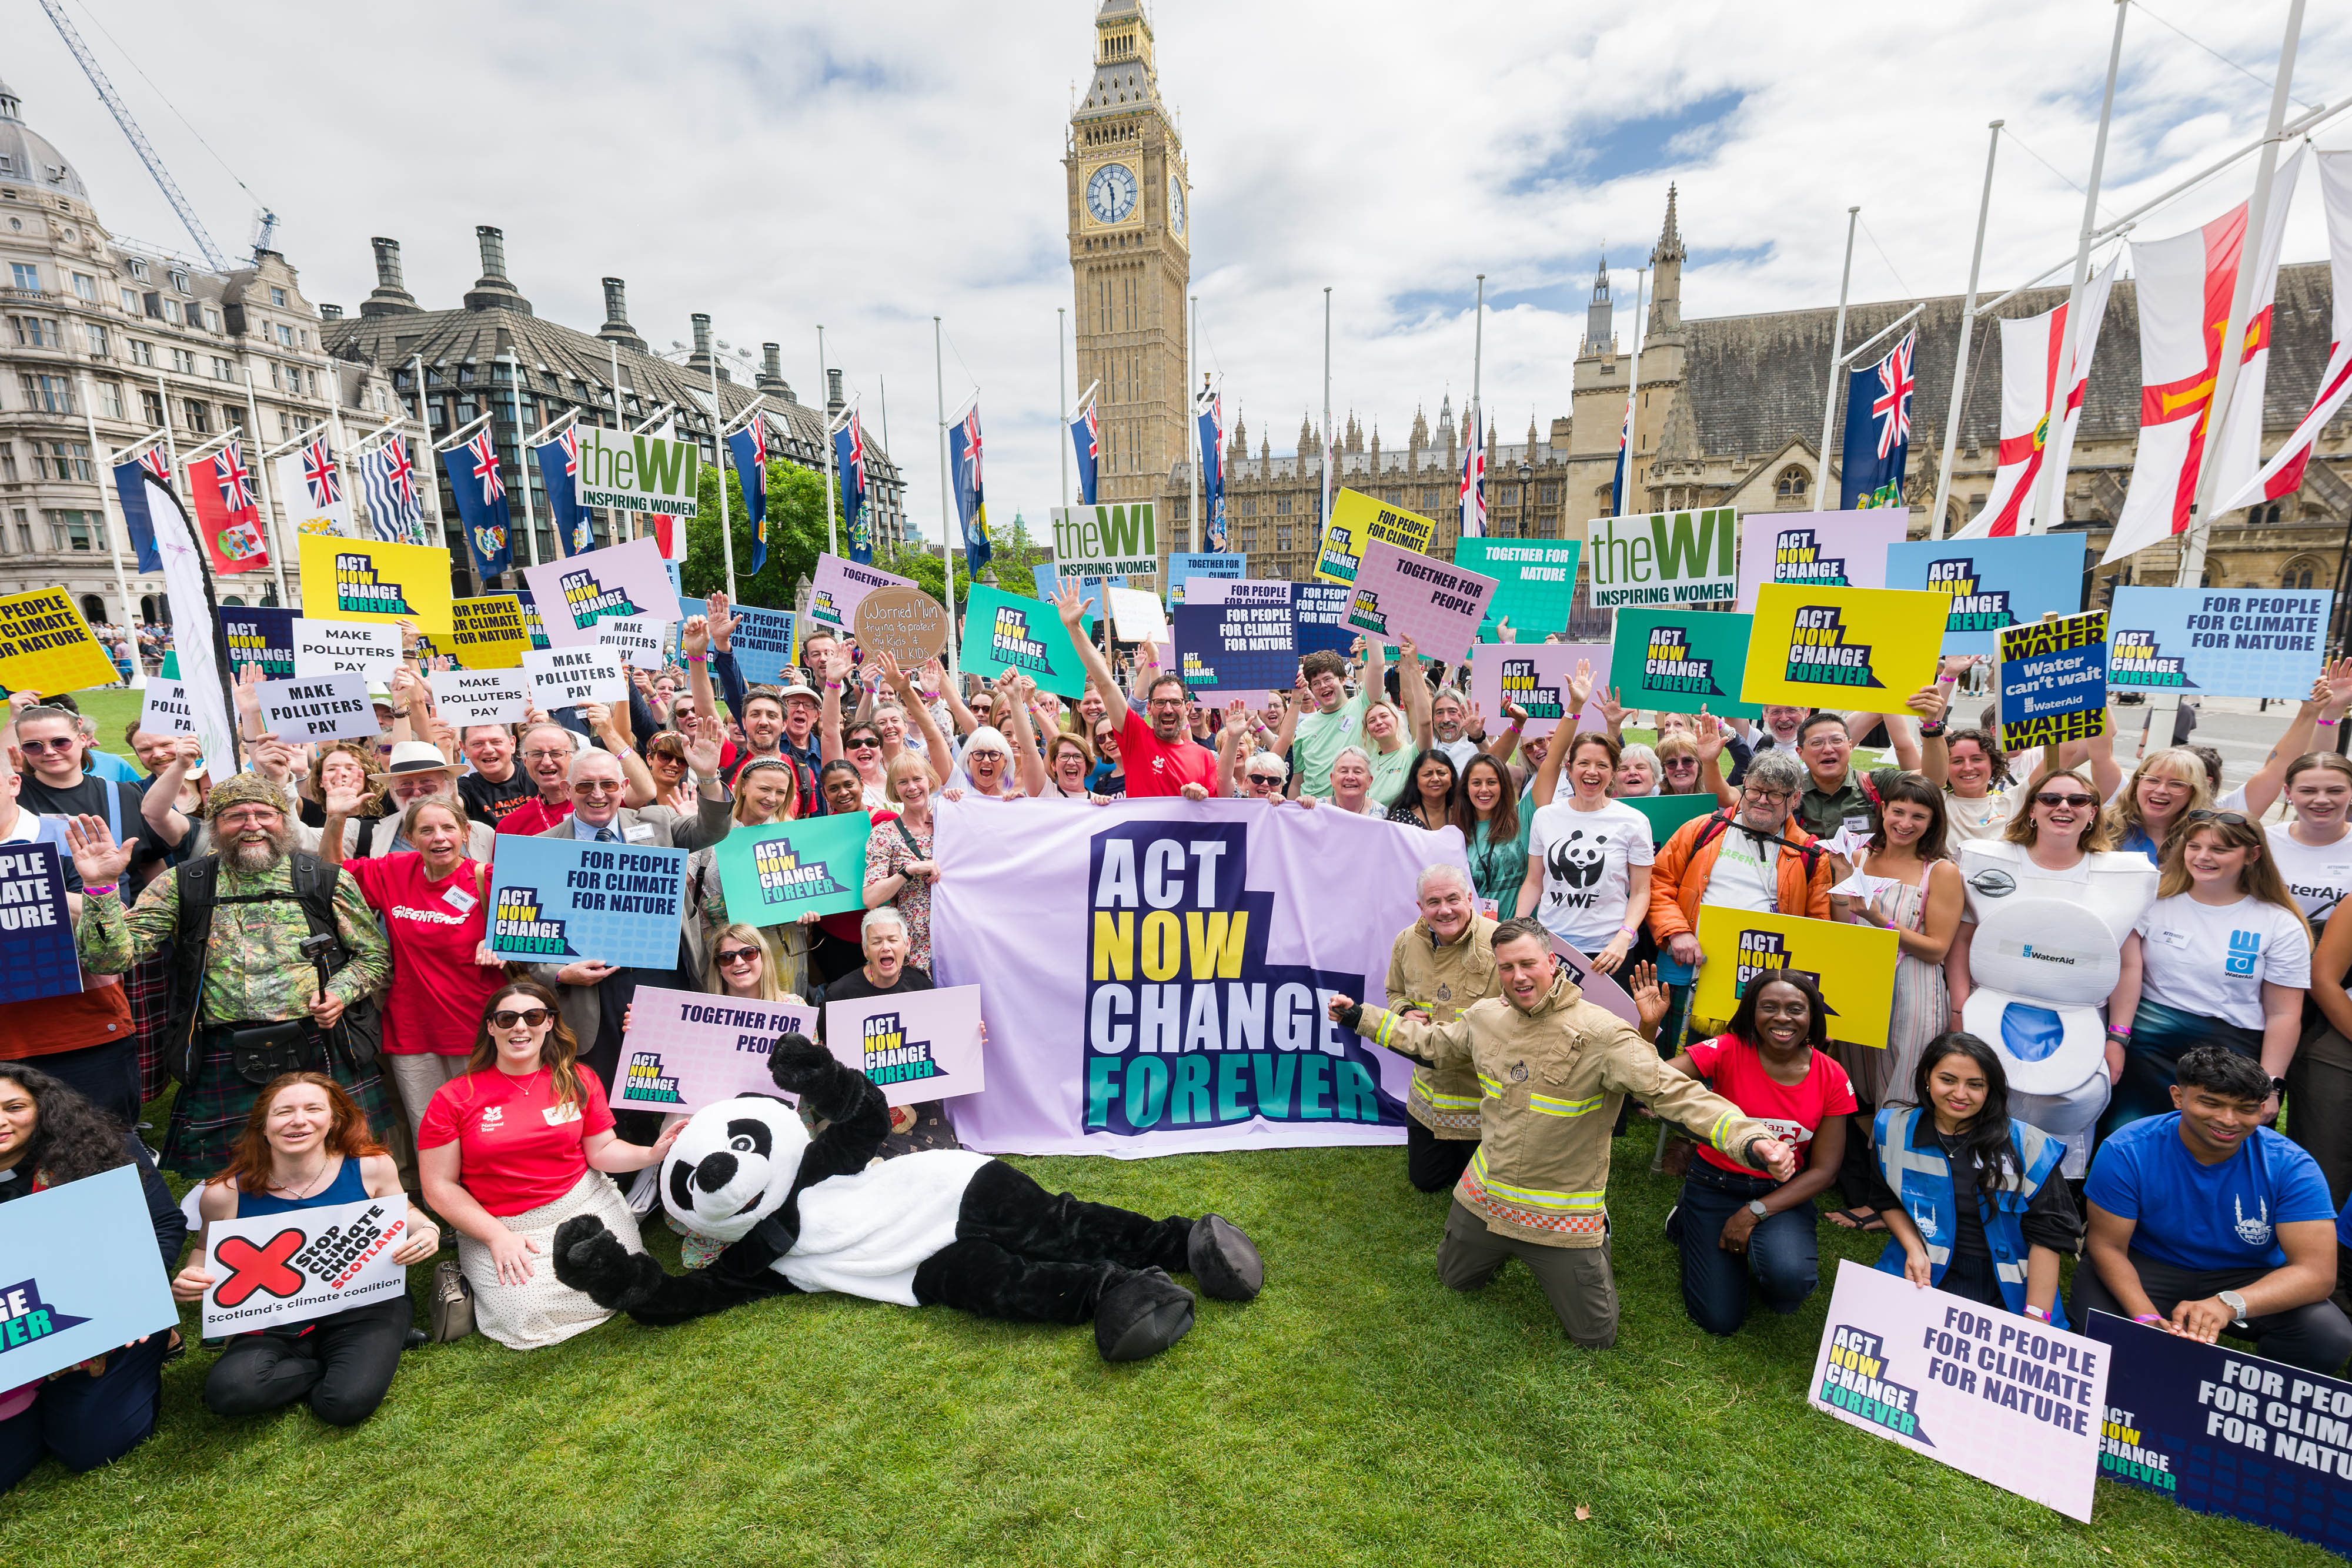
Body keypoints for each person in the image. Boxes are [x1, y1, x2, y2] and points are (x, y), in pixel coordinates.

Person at [1327, 918, 1796, 1348]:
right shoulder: (1485, 1016)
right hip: (1483, 1201)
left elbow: (1677, 1094)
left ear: (1553, 962)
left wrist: (1750, 1140)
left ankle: (1599, 1233)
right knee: (1452, 1280)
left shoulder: (1603, 1033)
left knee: (1596, 1337)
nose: (1519, 976)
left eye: (1529, 963)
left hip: (1559, 1223)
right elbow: (1432, 1045)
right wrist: (1360, 1017)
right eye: (1507, 967)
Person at [66, 775, 394, 1175]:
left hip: (319, 1041)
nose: (252, 824)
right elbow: (109, 960)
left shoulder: (324, 878)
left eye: (264, 814)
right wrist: (100, 888)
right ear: (214, 825)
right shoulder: (182, 883)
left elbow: (373, 955)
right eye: (235, 815)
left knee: (342, 1159)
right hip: (224, 1048)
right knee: (235, 1172)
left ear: (284, 819)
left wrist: (340, 992)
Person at [417, 982, 682, 1350]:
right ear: (491, 1027)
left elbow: (602, 1150)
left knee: (621, 1281)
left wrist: (651, 1154)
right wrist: (496, 1237)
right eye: (507, 1018)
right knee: (531, 1315)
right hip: (504, 1223)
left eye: (533, 1016)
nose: (520, 1027)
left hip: (582, 1204)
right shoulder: (454, 1098)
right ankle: (473, 1268)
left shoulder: (578, 1078)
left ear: (549, 1023)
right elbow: (438, 1186)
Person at [170, 1074, 437, 1425]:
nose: (299, 1121)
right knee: (230, 1392)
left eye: (313, 1109)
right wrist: (192, 1274)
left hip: (364, 1305)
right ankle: (337, 1361)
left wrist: (429, 1230)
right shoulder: (225, 1193)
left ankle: (371, 1347)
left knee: (345, 1403)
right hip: (273, 1317)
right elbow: (206, 1249)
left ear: (333, 1120)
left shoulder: (372, 1168)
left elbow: (406, 1214)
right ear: (263, 1127)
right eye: (284, 1112)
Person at [2077, 1047, 2352, 1374]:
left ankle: (2248, 1396)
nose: (2228, 1120)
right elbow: (2107, 1247)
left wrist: (2229, 1304)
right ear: (2178, 1097)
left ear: (2263, 1109)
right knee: (2102, 1334)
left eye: (2245, 1109)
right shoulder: (2127, 1150)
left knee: (2327, 1337)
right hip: (2148, 1264)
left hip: (2248, 1274)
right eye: (2211, 1103)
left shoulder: (2292, 1166)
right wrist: (2145, 1319)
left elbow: (2317, 1274)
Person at [531, 731, 733, 1135]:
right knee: (609, 1100)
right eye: (585, 785)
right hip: (593, 994)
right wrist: (558, 973)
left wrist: (708, 777)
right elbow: (528, 940)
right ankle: (621, 1179)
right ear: (568, 789)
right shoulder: (542, 846)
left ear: (624, 787)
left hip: (665, 980)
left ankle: (670, 1175)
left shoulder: (657, 822)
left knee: (674, 1086)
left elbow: (712, 831)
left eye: (608, 784)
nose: (598, 794)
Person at [1947, 765, 2156, 1154]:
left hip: (2078, 1017)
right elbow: (1962, 942)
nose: (2064, 806)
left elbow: (2128, 965)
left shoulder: (2124, 876)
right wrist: (1960, 1010)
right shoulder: (1987, 860)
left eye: (2078, 800)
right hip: (1991, 1009)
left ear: (2093, 812)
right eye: (2051, 798)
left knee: (2068, 1106)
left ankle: (2051, 1202)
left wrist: (2118, 1038)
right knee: (1982, 1103)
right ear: (2031, 809)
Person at [0, 1064, 184, 1493]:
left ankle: (160, 1340)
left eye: (14, 1107)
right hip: (14, 1330)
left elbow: (164, 1227)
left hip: (107, 1325)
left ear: (42, 1106)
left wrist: (135, 1299)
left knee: (87, 1447)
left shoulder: (100, 1147)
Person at [1661, 971, 1854, 1335]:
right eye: (1769, 1007)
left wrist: (1752, 1214)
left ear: (1812, 1016)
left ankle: (1753, 1240)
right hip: (1714, 1183)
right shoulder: (1728, 1048)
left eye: (1795, 1009)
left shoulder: (1832, 1075)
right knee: (1719, 1320)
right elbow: (1655, 1082)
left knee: (1788, 1289)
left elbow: (1825, 1171)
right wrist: (1648, 1026)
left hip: (1780, 1194)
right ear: (1752, 1013)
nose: (1782, 1018)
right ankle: (1688, 1217)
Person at [2101, 810, 2311, 1138]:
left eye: (2220, 850)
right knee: (2127, 1138)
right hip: (2148, 1047)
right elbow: (2128, 974)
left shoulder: (2279, 924)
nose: (2203, 857)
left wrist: (2270, 1085)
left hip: (2230, 1058)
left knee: (2208, 1152)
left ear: (2252, 855)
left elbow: (2284, 1013)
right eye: (2194, 846)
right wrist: (2117, 1037)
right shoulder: (2153, 902)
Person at [322, 795, 507, 1145]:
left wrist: (502, 941)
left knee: (486, 1129)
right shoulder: (393, 870)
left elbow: (542, 926)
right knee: (432, 1132)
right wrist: (335, 818)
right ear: (410, 837)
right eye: (427, 830)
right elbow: (333, 875)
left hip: (477, 1029)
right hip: (412, 1030)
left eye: (448, 828)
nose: (439, 837)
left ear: (466, 833)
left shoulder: (487, 879)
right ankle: (439, 1198)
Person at [1867, 1034, 2080, 1325]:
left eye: (1975, 1085)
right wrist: (1914, 1248)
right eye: (1948, 1080)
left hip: (2005, 1283)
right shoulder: (1892, 1128)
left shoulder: (2030, 1146)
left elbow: (2050, 1235)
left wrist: (2036, 1316)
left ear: (1990, 1090)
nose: (1960, 1094)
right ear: (1928, 1077)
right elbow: (1886, 1198)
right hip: (1926, 1268)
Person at [1825, 774, 1961, 1223]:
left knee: (1902, 1093)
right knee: (1860, 1089)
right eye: (1898, 811)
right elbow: (1844, 926)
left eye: (1918, 815)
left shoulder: (1939, 871)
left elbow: (1937, 947)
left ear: (1932, 821)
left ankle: (1885, 1205)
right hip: (1863, 986)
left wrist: (1882, 919)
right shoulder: (1861, 855)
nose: (1905, 822)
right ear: (1883, 811)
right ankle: (1871, 1180)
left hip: (1914, 992)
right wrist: (1844, 880)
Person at [1645, 749, 1834, 1048]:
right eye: (1755, 791)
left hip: (1765, 977)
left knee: (1749, 1061)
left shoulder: (1811, 855)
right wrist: (1677, 932)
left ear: (1795, 799)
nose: (1761, 800)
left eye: (1774, 795)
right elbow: (1658, 882)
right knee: (1677, 1058)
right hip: (1689, 966)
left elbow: (1818, 927)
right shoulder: (1702, 830)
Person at [1387, 865, 1498, 1193]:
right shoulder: (1406, 942)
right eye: (1433, 902)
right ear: (1421, 908)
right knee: (1426, 1182)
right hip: (1430, 1099)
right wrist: (1404, 1011)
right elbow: (1395, 993)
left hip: (1482, 1101)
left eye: (1453, 899)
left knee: (1482, 1190)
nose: (1445, 910)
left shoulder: (1500, 942)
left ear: (1469, 899)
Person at [1053, 583, 1220, 800]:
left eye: (1175, 702)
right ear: (1149, 708)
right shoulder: (1136, 739)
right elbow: (1105, 684)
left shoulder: (1205, 757)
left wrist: (1202, 795)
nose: (1168, 709)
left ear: (1187, 707)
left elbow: (1219, 814)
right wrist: (1074, 627)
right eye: (1160, 703)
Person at [817, 907, 959, 1156]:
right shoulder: (839, 994)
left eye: (893, 940)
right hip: (862, 1098)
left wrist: (967, 1034)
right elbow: (828, 1052)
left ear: (907, 945)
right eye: (877, 941)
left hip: (914, 1095)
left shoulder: (920, 986)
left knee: (945, 1147)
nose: (886, 947)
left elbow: (938, 1044)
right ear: (865, 950)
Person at [683, 754, 814, 1001]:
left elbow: (803, 889)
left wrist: (807, 910)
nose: (771, 798)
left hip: (777, 951)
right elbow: (684, 888)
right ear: (744, 786)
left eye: (780, 792)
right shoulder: (712, 829)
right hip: (725, 954)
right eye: (764, 789)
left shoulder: (789, 833)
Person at [1521, 732, 1652, 975]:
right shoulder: (1545, 817)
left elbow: (1641, 891)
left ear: (1613, 772)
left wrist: (1625, 936)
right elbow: (1533, 881)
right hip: (1552, 947)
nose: (1592, 772)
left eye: (1602, 765)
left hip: (1610, 952)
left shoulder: (1634, 822)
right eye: (1584, 763)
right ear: (1569, 769)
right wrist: (1519, 928)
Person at [9, 703, 164, 882]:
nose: (49, 751)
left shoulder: (124, 795)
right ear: (21, 748)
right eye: (33, 746)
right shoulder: (11, 796)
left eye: (60, 742)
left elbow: (151, 863)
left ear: (82, 739)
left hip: (121, 905)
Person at [864, 751, 943, 972]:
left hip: (956, 940)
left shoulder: (951, 820)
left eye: (917, 779)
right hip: (914, 948)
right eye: (903, 782)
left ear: (930, 780)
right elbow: (870, 898)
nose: (912, 787)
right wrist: (907, 871)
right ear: (895, 789)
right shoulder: (884, 834)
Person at [1293, 641, 1387, 800]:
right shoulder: (1304, 728)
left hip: (1354, 809)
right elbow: (1297, 781)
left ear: (1343, 679)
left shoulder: (1364, 707)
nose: (1323, 686)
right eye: (1316, 683)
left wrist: (1370, 626)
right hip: (1312, 812)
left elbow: (1378, 665)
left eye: (1328, 679)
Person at [1453, 752, 1530, 918]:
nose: (1484, 790)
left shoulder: (1523, 815)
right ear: (1466, 788)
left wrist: (1517, 726)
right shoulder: (1455, 832)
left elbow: (1552, 763)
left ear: (1503, 786)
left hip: (1519, 935)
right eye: (1476, 783)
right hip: (1475, 934)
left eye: (1492, 782)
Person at [2105, 747, 2209, 864]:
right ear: (2136, 785)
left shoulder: (2207, 837)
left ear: (2194, 793)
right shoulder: (2102, 828)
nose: (2161, 790)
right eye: (2153, 781)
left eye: (2176, 784)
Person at [456, 723, 536, 830]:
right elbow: (449, 807)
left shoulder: (535, 771)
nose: (489, 750)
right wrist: (445, 747)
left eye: (496, 742)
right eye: (478, 744)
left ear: (512, 744)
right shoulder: (467, 787)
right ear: (465, 750)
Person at [1389, 748, 1458, 832]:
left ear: (1452, 779)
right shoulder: (1401, 820)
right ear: (1416, 781)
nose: (1435, 779)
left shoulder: (1463, 816)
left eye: (1442, 773)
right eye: (1427, 775)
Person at [1327, 745, 1385, 819]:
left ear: (1369, 781)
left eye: (1358, 772)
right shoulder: (1315, 810)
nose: (1350, 777)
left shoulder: (1384, 816)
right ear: (1332, 779)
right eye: (1344, 771)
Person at [1087, 718, 1125, 797]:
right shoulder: (1102, 783)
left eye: (1113, 734)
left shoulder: (1149, 770)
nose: (1108, 741)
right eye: (1101, 738)